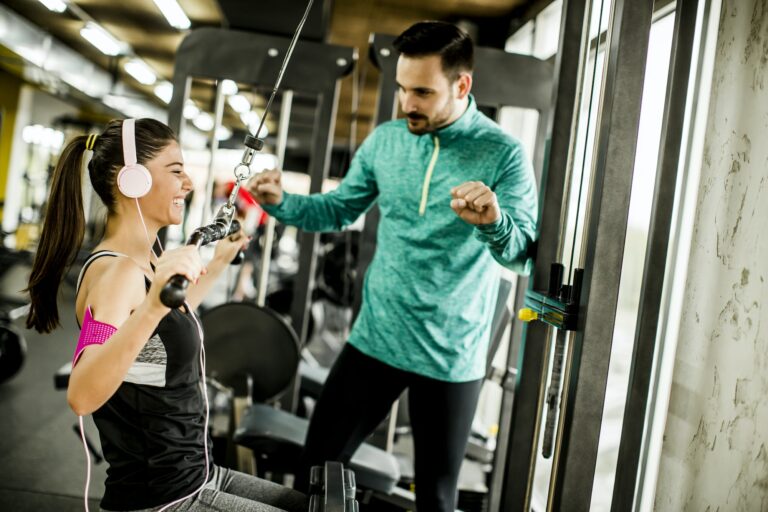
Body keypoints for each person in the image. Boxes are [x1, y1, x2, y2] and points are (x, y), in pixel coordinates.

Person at [248, 21, 538, 512]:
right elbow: (338, 209)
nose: (408, 103)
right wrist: (280, 202)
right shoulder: (386, 141)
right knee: (314, 471)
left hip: (451, 352)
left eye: (423, 91)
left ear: (462, 85)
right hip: (377, 337)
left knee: (437, 498)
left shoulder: (503, 154)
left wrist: (493, 220)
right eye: (403, 88)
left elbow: (520, 252)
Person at [25, 118, 307, 512]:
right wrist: (157, 301)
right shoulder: (118, 272)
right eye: (176, 171)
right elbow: (82, 394)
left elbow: (161, 326)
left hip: (199, 472)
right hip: (163, 497)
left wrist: (219, 262)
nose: (188, 184)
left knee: (309, 505)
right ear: (132, 181)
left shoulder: (144, 261)